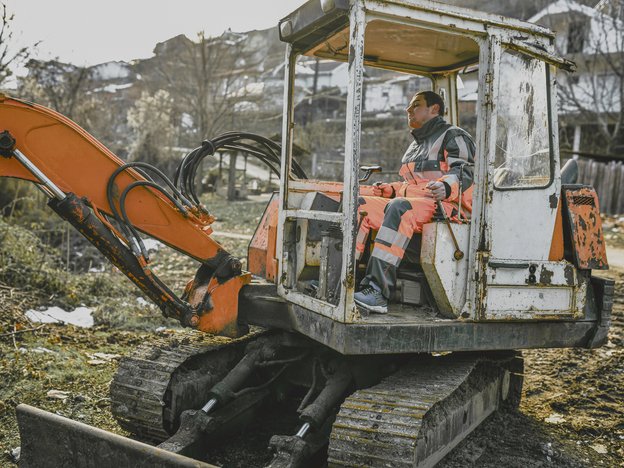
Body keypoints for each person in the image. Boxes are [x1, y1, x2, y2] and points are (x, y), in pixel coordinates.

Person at [353, 91, 476, 314]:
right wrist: (391, 189)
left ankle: (376, 292)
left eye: (415, 105)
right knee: (360, 204)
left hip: (447, 208)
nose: (408, 110)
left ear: (434, 109)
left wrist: (447, 186)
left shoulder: (454, 136)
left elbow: (465, 173)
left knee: (400, 208)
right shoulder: (416, 146)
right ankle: (342, 281)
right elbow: (412, 184)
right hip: (418, 204)